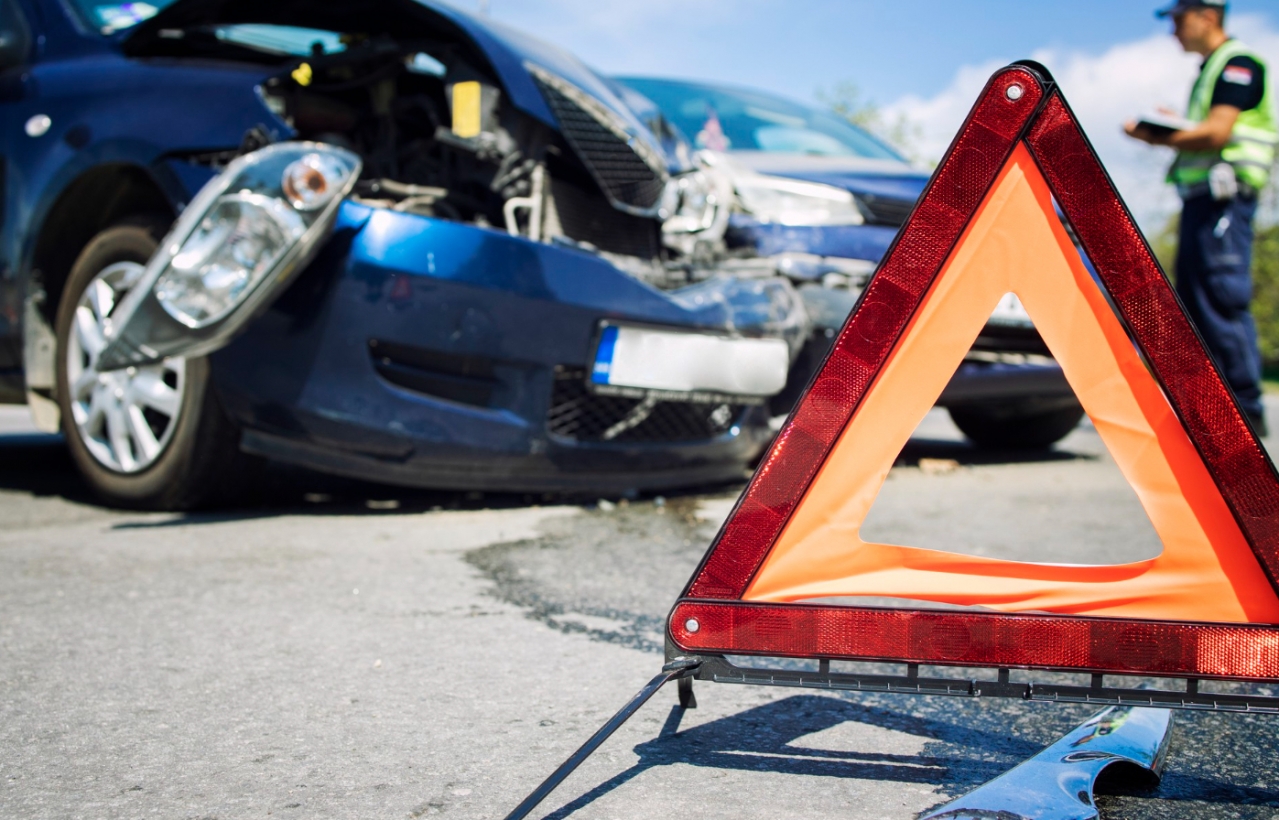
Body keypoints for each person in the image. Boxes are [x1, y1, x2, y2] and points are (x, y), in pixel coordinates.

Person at [1125, 0, 1276, 435]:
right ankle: (1211, 410)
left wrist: (1155, 133)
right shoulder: (1211, 70)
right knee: (1195, 299)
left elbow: (1217, 132)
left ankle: (1245, 413)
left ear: (1207, 16)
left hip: (1223, 202)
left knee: (1221, 297)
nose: (1173, 29)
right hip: (1202, 201)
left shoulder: (1238, 64)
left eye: (1178, 19)